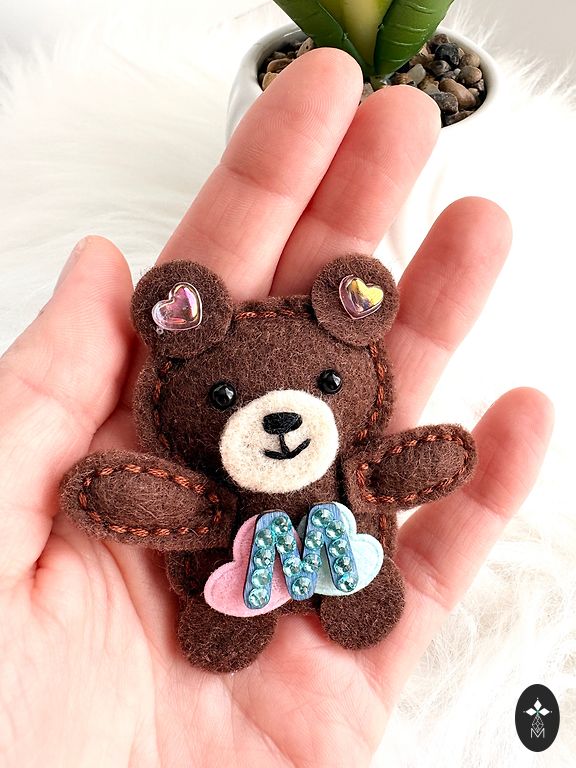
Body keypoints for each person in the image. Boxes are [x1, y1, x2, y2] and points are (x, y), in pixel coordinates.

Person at [0, 49, 552, 766]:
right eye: (223, 397)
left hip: (343, 570)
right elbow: (176, 504)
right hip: (214, 599)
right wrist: (113, 490)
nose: (287, 411)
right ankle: (240, 615)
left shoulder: (350, 463)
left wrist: (433, 458)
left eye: (326, 384)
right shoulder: (198, 458)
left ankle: (347, 592)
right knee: (222, 606)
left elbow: (386, 471)